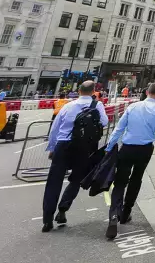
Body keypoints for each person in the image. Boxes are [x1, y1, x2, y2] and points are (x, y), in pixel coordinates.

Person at [104, 82, 155, 240]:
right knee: (136, 179)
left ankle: (114, 214)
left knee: (120, 181)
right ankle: (126, 212)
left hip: (127, 148)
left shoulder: (133, 107)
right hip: (145, 149)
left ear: (147, 92)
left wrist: (109, 146)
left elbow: (119, 128)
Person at [41, 80, 108, 232]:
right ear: (93, 92)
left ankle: (47, 220)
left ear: (78, 91)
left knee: (54, 182)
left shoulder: (68, 106)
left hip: (63, 145)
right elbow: (104, 122)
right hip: (84, 148)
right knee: (76, 180)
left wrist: (52, 147)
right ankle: (63, 209)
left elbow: (55, 129)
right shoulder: (97, 105)